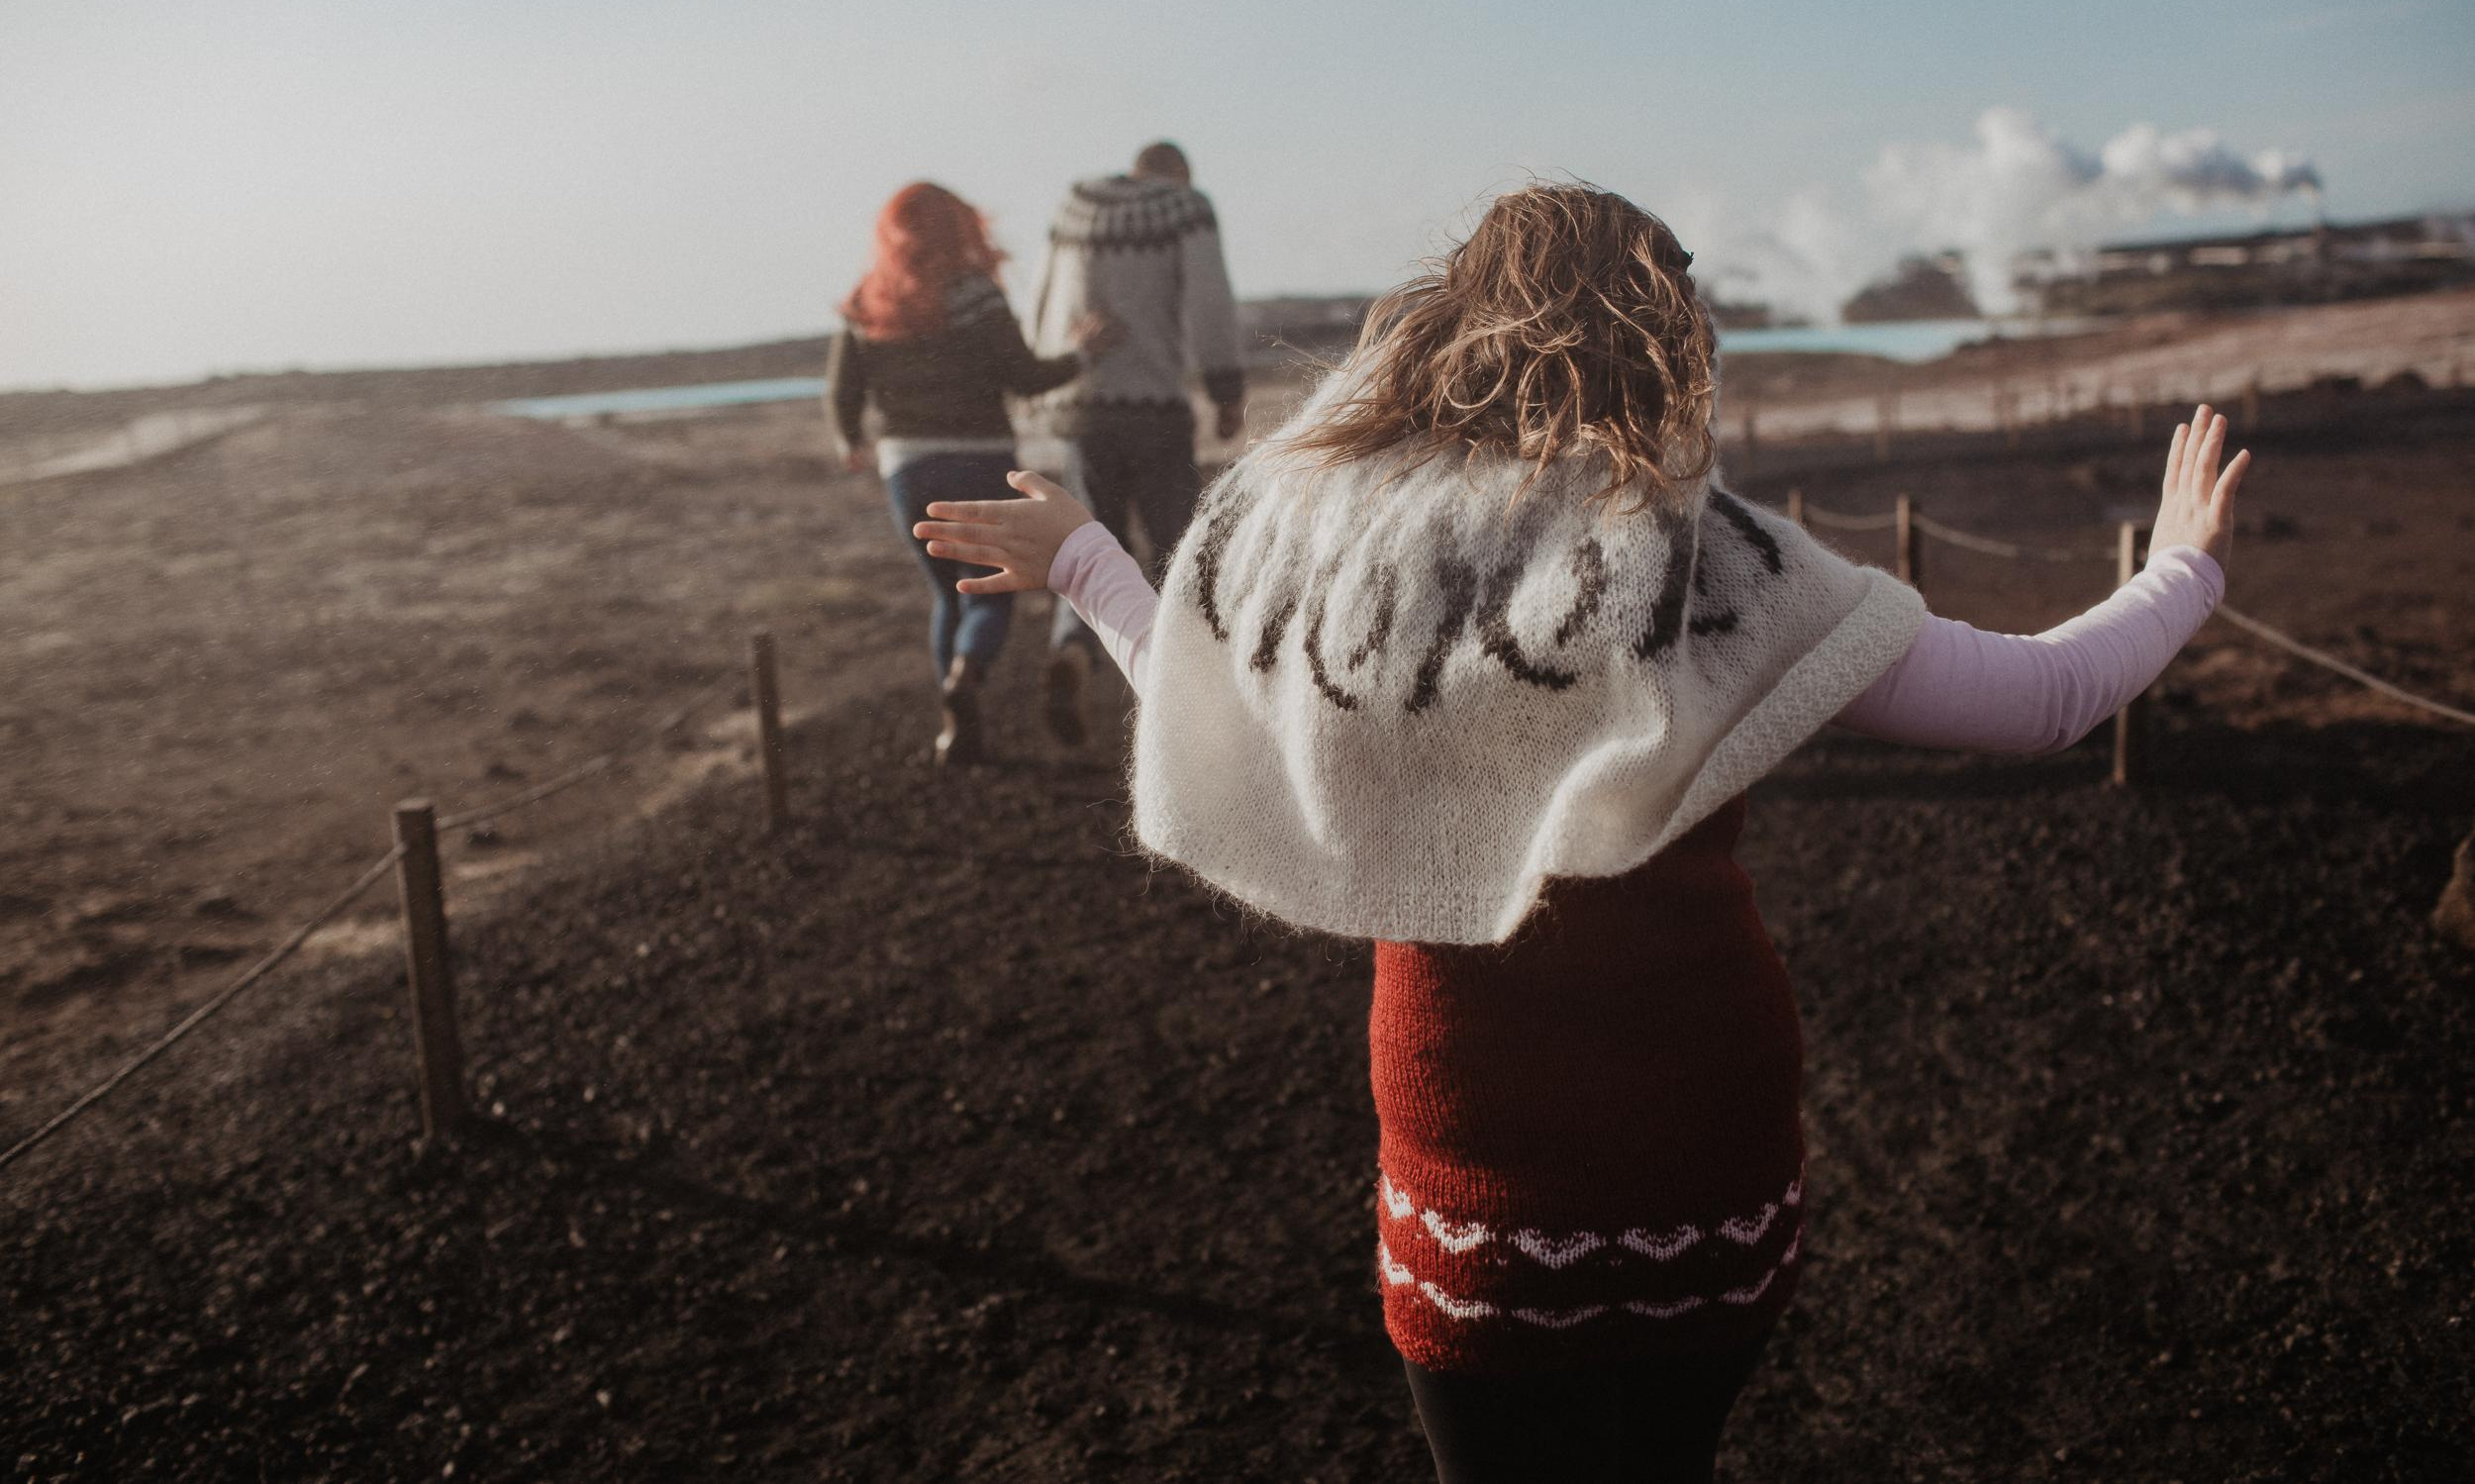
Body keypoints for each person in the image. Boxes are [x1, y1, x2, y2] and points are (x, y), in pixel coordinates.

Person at [911, 184, 2249, 1482]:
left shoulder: (1346, 558)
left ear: (1452, 326)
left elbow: (1205, 695)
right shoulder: (1726, 561)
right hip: (1709, 1158)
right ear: (1665, 345)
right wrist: (2183, 564)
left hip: (1473, 1166)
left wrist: (1087, 561)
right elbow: (2045, 698)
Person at [825, 181, 1112, 766]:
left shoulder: (868, 300)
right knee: (987, 588)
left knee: (943, 595)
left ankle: (954, 727)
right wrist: (1082, 353)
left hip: (907, 467)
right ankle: (967, 674)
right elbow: (1025, 375)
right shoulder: (978, 296)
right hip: (980, 459)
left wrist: (849, 438)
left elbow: (842, 389)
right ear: (961, 229)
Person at [1021, 140, 1245, 745]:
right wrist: (1226, 390)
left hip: (1081, 409)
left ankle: (1071, 649)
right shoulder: (1184, 207)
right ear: (1179, 173)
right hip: (1155, 408)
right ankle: (1193, 700)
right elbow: (1208, 302)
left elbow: (1042, 295)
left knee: (1087, 546)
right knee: (1181, 555)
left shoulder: (1077, 204)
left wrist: (1046, 377)